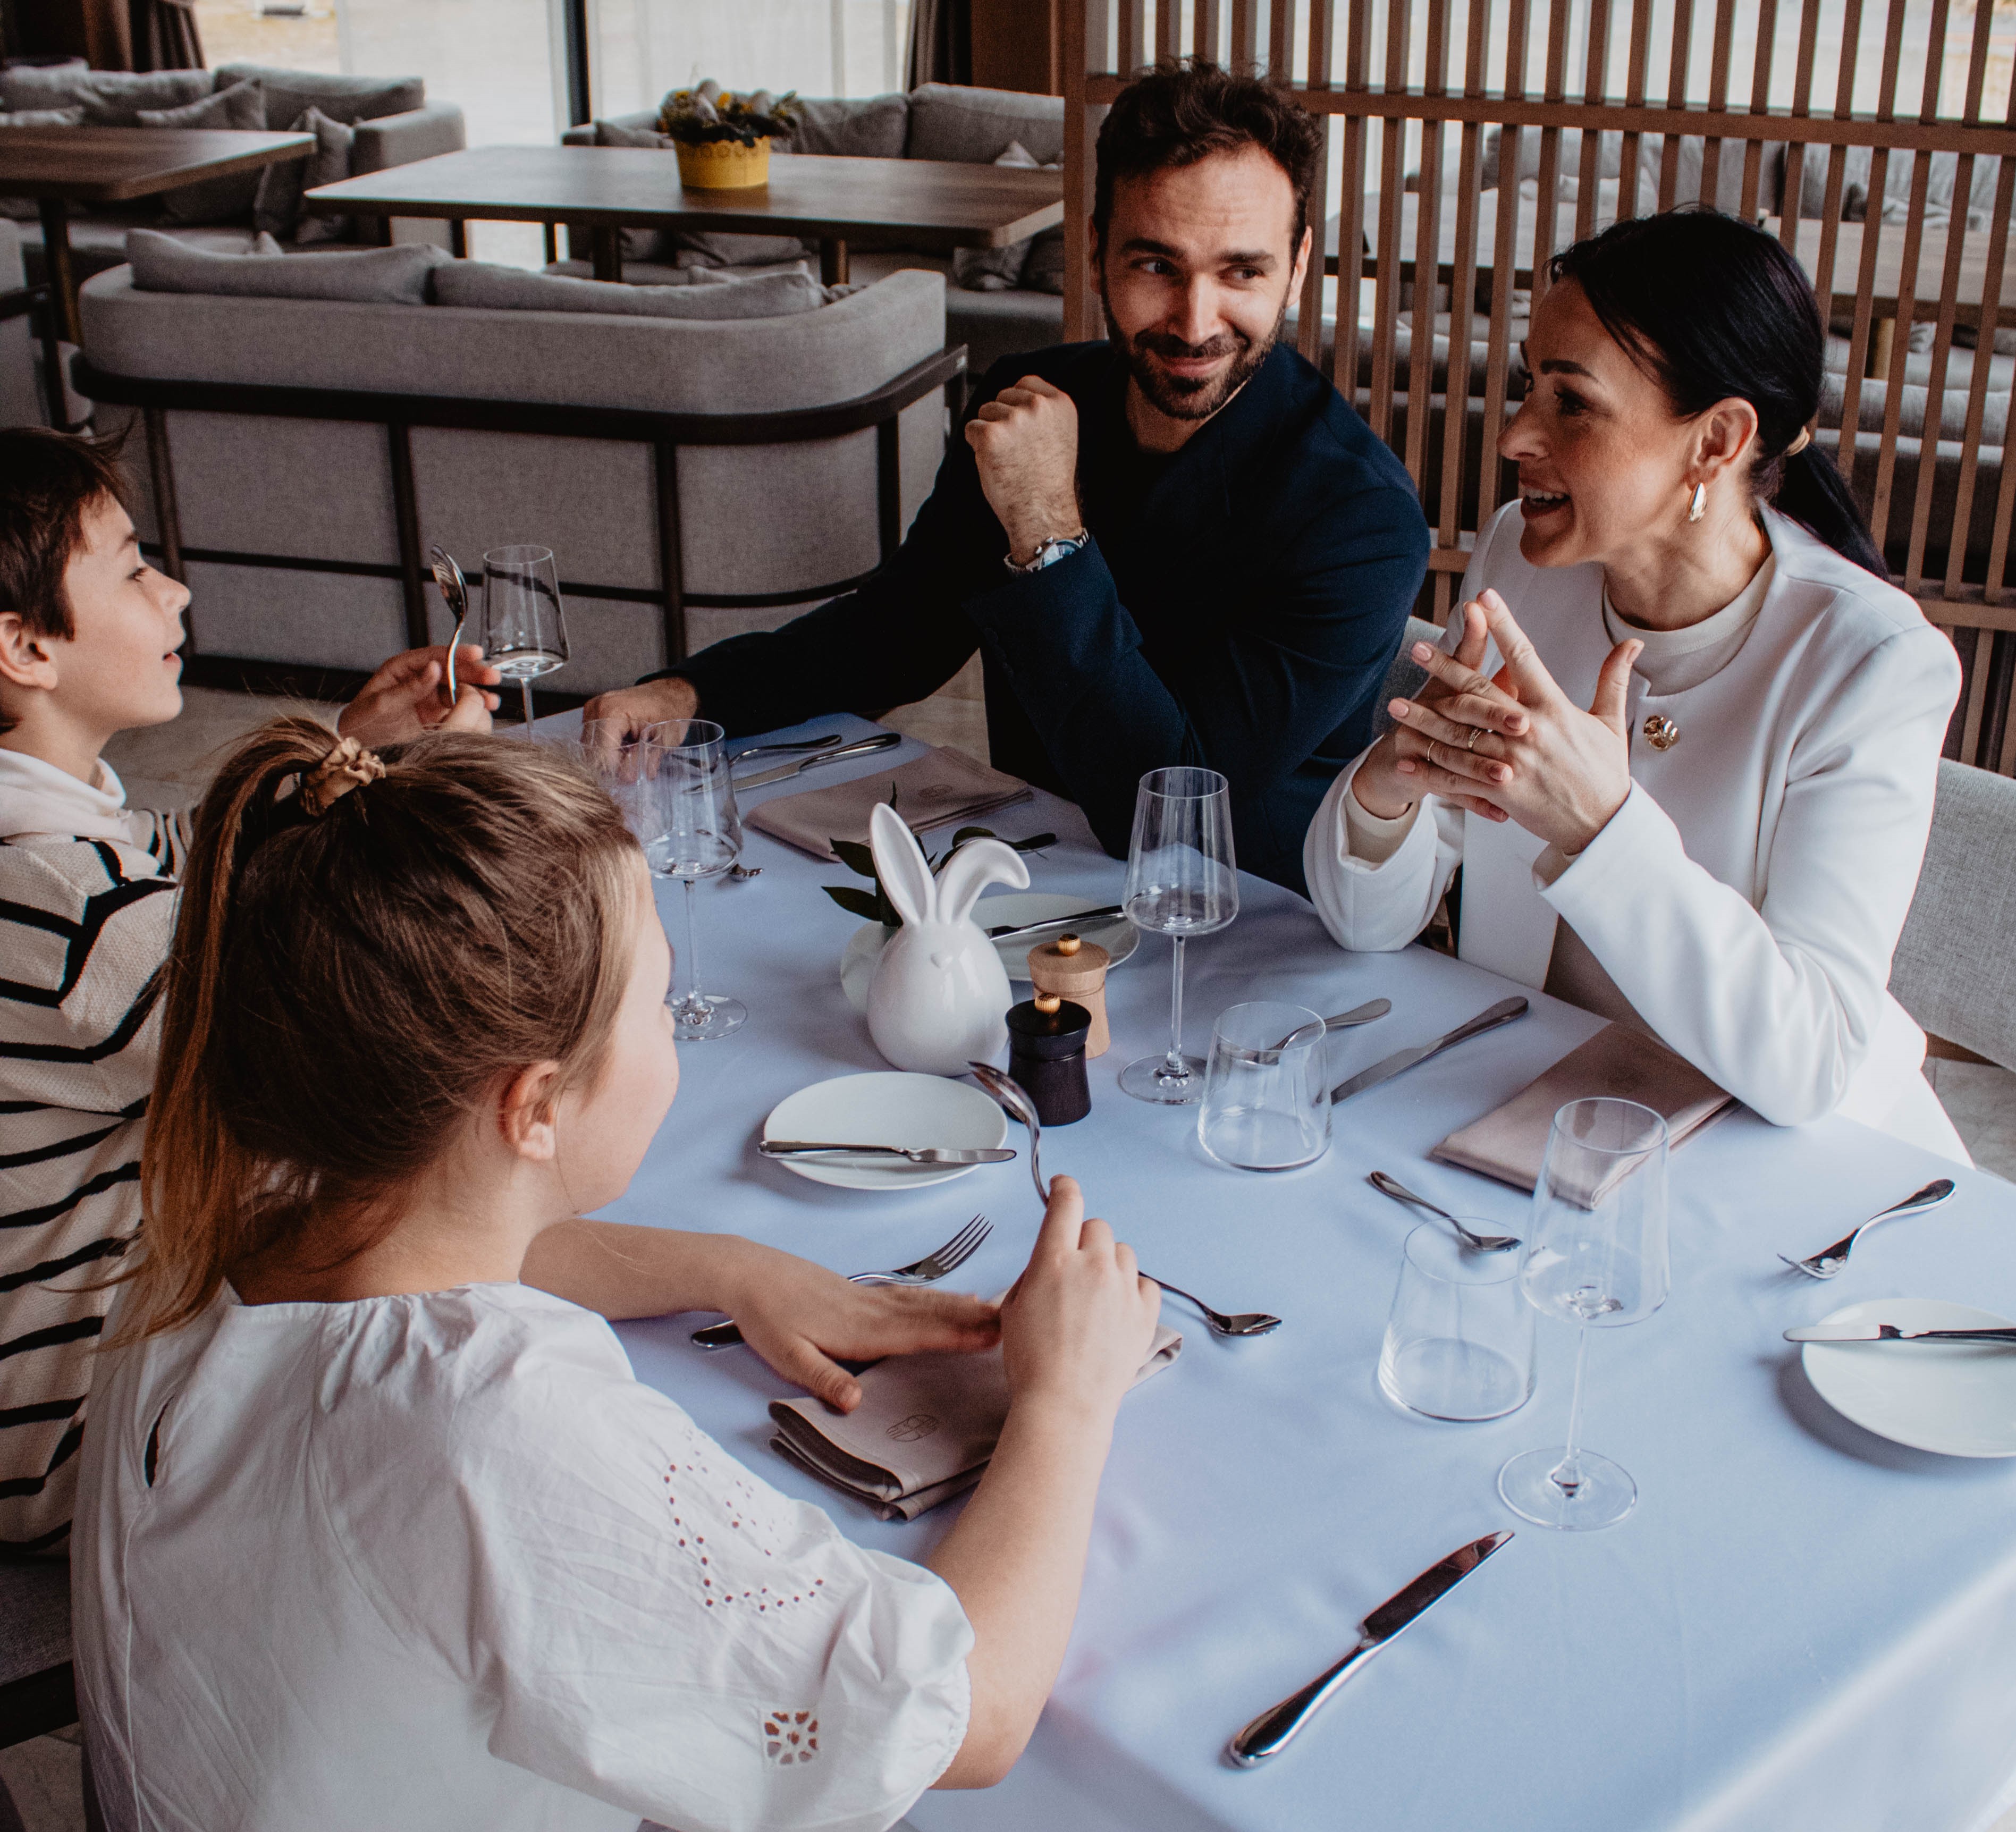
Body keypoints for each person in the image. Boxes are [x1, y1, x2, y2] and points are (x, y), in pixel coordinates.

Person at [72, 721, 1163, 1830]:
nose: (671, 1033)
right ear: (533, 1106)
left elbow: (449, 1246)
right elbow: (959, 1714)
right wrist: (1066, 1398)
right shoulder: (490, 1422)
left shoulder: (227, 1207)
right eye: (658, 1004)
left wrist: (729, 1268)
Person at [0, 428, 988, 1557]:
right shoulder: (57, 904)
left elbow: (185, 858)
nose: (171, 584)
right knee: (576, 1472)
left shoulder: (59, 837)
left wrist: (343, 751)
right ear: (26, 644)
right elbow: (365, 1009)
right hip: (92, 1421)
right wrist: (414, 810)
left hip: (176, 1291)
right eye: (131, 565)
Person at [580, 60, 1431, 892]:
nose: (1195, 321)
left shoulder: (1360, 519)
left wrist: (1047, 528)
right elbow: (897, 632)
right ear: (1094, 250)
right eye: (1155, 265)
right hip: (1035, 876)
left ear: (1298, 261)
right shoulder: (1036, 398)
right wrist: (688, 692)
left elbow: (1163, 806)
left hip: (1248, 930)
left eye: (1241, 270)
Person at [1304, 208, 1968, 1157]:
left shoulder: (1870, 666)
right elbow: (1366, 926)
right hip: (1524, 1113)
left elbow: (1809, 1060)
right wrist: (1390, 789)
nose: (1517, 436)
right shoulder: (1522, 560)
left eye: (1572, 402)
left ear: (1717, 440)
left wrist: (1599, 826)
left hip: (1783, 1166)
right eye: (1530, 387)